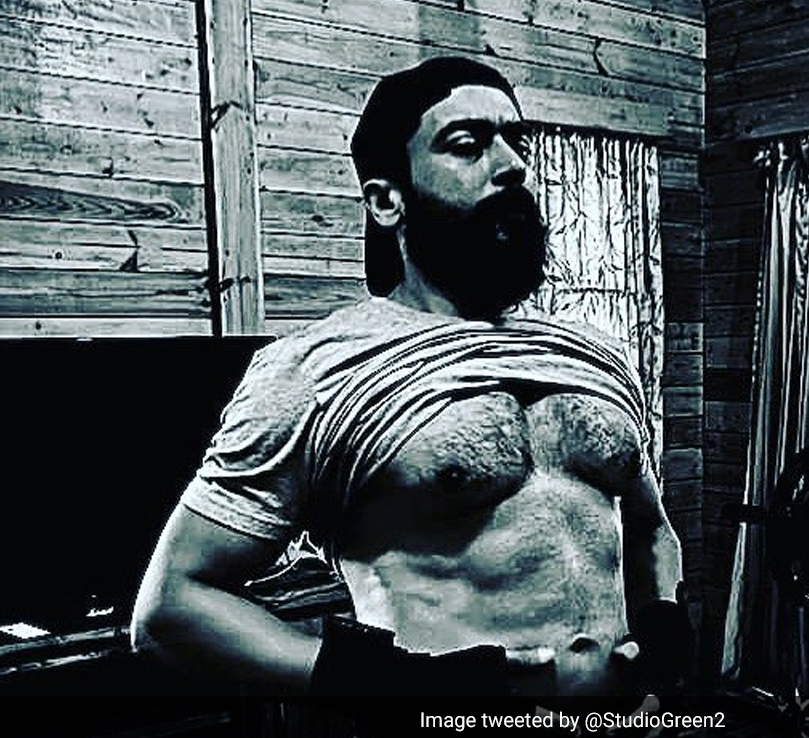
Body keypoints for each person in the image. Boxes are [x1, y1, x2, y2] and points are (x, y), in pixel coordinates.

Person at [131, 56, 689, 700]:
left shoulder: (594, 352)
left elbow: (649, 526)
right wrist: (397, 685)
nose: (513, 165)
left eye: (516, 142)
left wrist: (663, 625)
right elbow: (171, 609)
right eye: (468, 145)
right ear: (386, 200)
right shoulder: (318, 369)